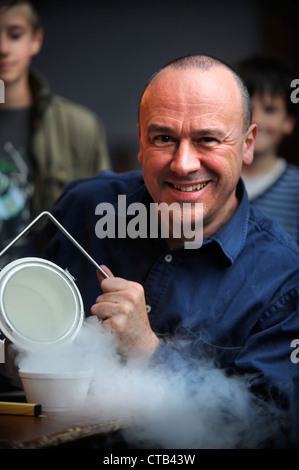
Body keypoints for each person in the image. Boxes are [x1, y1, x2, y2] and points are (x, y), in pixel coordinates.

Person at [21, 54, 299, 447]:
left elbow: (272, 435)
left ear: (248, 144)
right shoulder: (84, 208)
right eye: (164, 138)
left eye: (207, 139)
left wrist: (148, 351)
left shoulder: (284, 279)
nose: (183, 164)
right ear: (140, 141)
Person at [0, 0, 111, 265]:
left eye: (15, 34)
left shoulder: (80, 127)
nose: (3, 48)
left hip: (44, 292)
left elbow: (105, 223)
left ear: (35, 40)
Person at [236, 55, 299, 244]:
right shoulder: (209, 180)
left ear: (289, 122)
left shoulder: (295, 188)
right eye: (246, 107)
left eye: (270, 109)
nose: (256, 120)